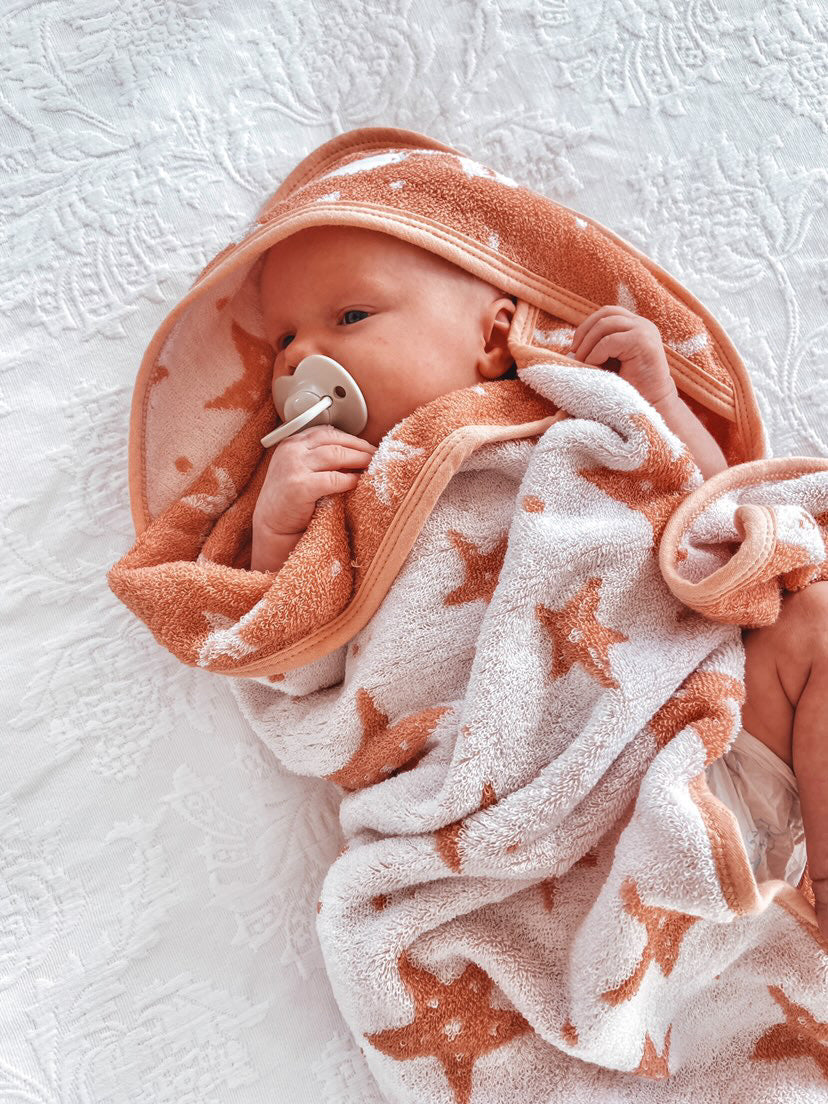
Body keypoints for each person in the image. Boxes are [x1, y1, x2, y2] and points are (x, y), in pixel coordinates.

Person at [250, 223, 828, 937]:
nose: (302, 356)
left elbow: (712, 508)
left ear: (491, 339)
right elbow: (288, 655)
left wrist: (659, 405)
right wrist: (274, 530)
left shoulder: (568, 409)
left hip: (699, 733)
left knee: (816, 622)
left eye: (350, 317)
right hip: (525, 828)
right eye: (281, 342)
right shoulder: (337, 497)